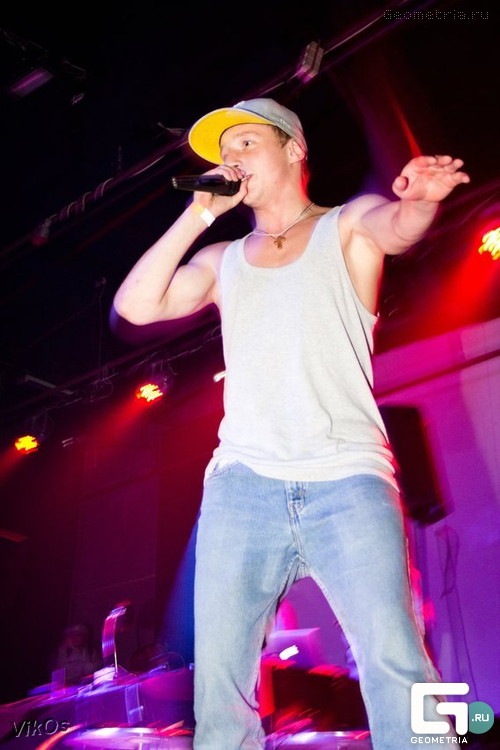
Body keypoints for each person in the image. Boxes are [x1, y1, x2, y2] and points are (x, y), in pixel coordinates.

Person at [112, 97, 470, 749]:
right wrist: (199, 214)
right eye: (224, 152)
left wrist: (421, 202)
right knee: (220, 689)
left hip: (349, 480)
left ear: (294, 149)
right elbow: (136, 307)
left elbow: (397, 227)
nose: (231, 159)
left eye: (245, 143)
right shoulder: (222, 259)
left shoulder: (347, 224)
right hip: (242, 487)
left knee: (397, 663)